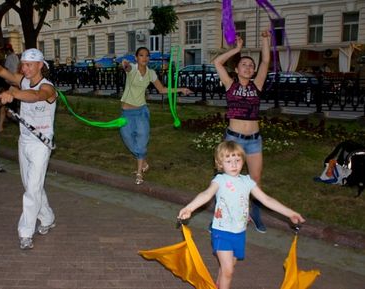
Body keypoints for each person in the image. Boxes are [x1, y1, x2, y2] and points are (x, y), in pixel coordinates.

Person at [177, 140, 305, 289]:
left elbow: (266, 199)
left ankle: (217, 286)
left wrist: (290, 213)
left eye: (237, 160)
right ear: (220, 164)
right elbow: (206, 194)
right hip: (222, 232)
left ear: (243, 161)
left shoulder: (247, 181)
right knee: (228, 271)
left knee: (228, 267)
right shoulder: (220, 180)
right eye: (229, 161)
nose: (233, 164)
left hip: (239, 233)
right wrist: (190, 208)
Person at [0, 48, 57, 250]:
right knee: (31, 185)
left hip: (41, 143)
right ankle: (47, 217)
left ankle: (25, 233)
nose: (25, 68)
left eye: (29, 64)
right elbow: (0, 71)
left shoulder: (48, 88)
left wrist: (13, 94)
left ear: (40, 65)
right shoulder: (22, 79)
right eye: (23, 64)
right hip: (24, 141)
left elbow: (36, 96)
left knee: (32, 189)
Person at [213, 31, 270, 233]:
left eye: (250, 66)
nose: (248, 67)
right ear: (236, 69)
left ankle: (254, 213)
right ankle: (220, 216)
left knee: (255, 180)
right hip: (234, 140)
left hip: (254, 141)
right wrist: (236, 49)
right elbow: (218, 63)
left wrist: (265, 40)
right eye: (244, 65)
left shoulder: (257, 85)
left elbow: (265, 61)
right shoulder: (230, 84)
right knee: (227, 180)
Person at [120, 47, 192, 185]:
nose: (144, 58)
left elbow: (162, 89)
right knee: (128, 140)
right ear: (136, 57)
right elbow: (126, 67)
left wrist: (181, 89)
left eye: (147, 56)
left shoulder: (151, 73)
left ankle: (139, 172)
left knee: (141, 140)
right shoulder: (132, 69)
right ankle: (144, 162)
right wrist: (124, 64)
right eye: (141, 55)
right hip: (126, 113)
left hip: (141, 111)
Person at [0, 44, 20, 132]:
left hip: (9, 81)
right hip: (16, 80)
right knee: (14, 99)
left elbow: (6, 69)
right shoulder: (16, 57)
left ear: (7, 51)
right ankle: (14, 114)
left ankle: (10, 115)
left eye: (5, 51)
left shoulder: (8, 58)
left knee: (7, 100)